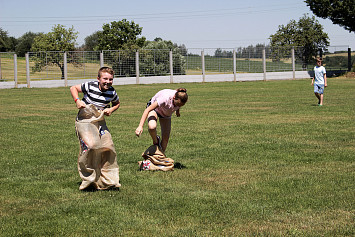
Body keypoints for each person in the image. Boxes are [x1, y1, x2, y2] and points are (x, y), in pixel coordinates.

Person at [70, 66, 121, 191]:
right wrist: (77, 100)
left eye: (110, 79)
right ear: (98, 78)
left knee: (108, 146)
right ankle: (88, 180)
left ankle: (108, 180)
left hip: (99, 120)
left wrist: (111, 109)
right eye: (105, 79)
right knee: (91, 146)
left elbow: (117, 103)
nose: (108, 82)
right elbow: (73, 88)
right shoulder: (90, 86)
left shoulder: (112, 92)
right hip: (85, 120)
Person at [135, 88, 188, 153]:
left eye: (180, 105)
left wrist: (177, 111)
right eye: (177, 104)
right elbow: (147, 110)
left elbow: (178, 104)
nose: (178, 106)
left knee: (165, 138)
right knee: (152, 127)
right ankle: (155, 141)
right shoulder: (165, 98)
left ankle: (160, 157)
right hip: (155, 110)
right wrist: (140, 126)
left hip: (166, 114)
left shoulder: (180, 98)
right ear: (174, 97)